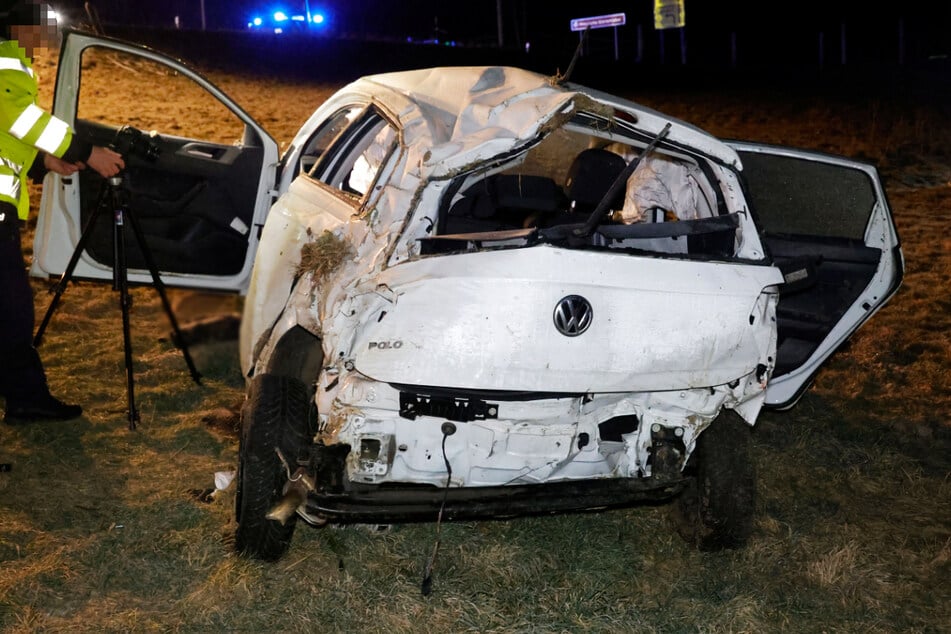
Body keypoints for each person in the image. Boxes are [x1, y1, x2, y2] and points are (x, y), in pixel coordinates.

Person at [0, 1, 124, 423]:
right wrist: (87, 152)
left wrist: (43, 163)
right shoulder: (5, 61)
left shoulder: (11, 61)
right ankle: (25, 398)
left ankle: (23, 395)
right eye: (43, 28)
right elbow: (21, 119)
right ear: (17, 25)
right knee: (11, 309)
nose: (48, 38)